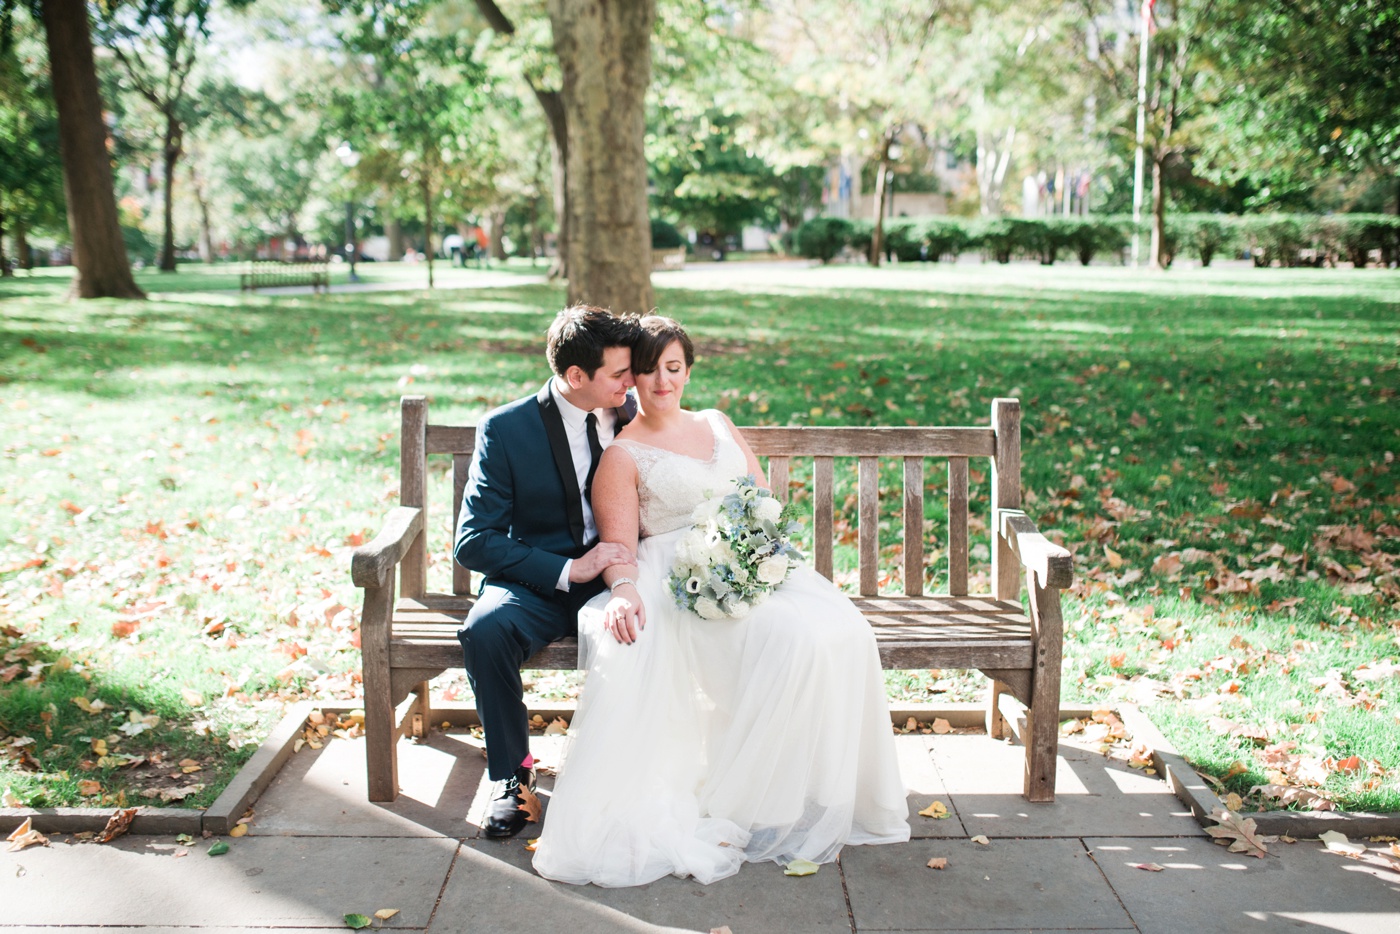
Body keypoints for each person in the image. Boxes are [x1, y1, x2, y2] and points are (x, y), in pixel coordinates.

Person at [532, 316, 910, 887]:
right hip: (681, 582)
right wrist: (625, 591)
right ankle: (750, 800)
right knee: (790, 641)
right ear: (631, 377)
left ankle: (821, 787)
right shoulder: (623, 455)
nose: (663, 382)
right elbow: (618, 545)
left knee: (848, 631)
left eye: (675, 368)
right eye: (649, 370)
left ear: (688, 370)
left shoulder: (717, 422)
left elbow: (760, 496)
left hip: (750, 561)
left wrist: (757, 548)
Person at [454, 305, 639, 839]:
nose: (632, 382)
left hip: (620, 579)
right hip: (537, 580)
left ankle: (634, 777)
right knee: (484, 631)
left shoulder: (634, 414)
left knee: (655, 629)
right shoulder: (506, 429)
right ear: (576, 376)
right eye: (618, 373)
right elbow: (474, 541)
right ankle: (512, 778)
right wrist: (568, 568)